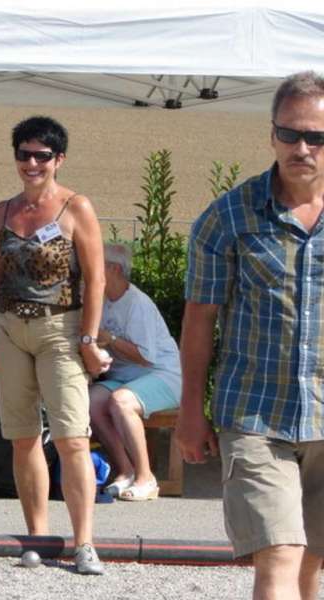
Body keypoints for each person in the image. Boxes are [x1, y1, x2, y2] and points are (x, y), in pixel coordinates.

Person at [179, 71, 324, 600]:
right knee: (278, 555)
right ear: (271, 135)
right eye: (289, 134)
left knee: (312, 561)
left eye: (316, 137)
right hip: (256, 414)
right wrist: (190, 410)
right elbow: (200, 320)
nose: (301, 148)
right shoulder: (227, 219)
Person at [0, 115, 110, 575]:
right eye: (24, 154)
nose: (32, 163)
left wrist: (88, 339)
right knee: (22, 437)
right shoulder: (2, 212)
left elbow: (96, 280)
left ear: (58, 159)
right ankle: (36, 537)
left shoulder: (76, 208)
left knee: (71, 436)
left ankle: (84, 541)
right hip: (10, 329)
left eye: (41, 155)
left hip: (60, 330)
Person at [89, 243, 181, 501]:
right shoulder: (100, 297)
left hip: (163, 375)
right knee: (91, 401)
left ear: (114, 269)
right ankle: (125, 471)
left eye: (97, 263)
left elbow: (145, 357)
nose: (89, 268)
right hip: (123, 377)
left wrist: (110, 339)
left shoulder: (137, 303)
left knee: (121, 401)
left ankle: (146, 478)